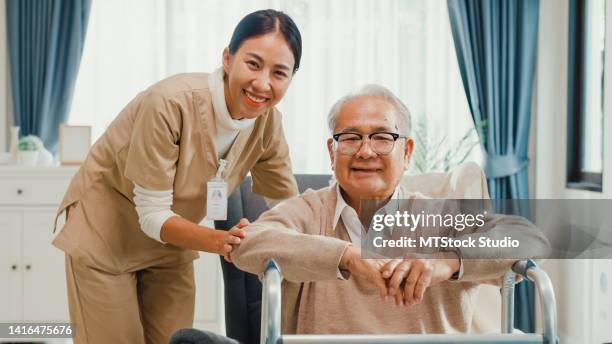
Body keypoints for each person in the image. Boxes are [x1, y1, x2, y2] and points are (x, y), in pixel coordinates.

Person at [52, 9, 302, 344]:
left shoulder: (268, 124)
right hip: (107, 234)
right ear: (228, 59)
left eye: (279, 72)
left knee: (175, 340)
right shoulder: (170, 104)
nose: (262, 83)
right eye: (253, 64)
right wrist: (223, 242)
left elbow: (288, 205)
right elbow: (152, 214)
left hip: (172, 243)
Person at [230, 85, 549, 334]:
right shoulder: (308, 210)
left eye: (382, 138)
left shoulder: (441, 215)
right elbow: (248, 242)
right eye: (351, 138)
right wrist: (349, 257)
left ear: (407, 151)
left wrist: (446, 262)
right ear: (332, 151)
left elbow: (529, 238)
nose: (365, 151)